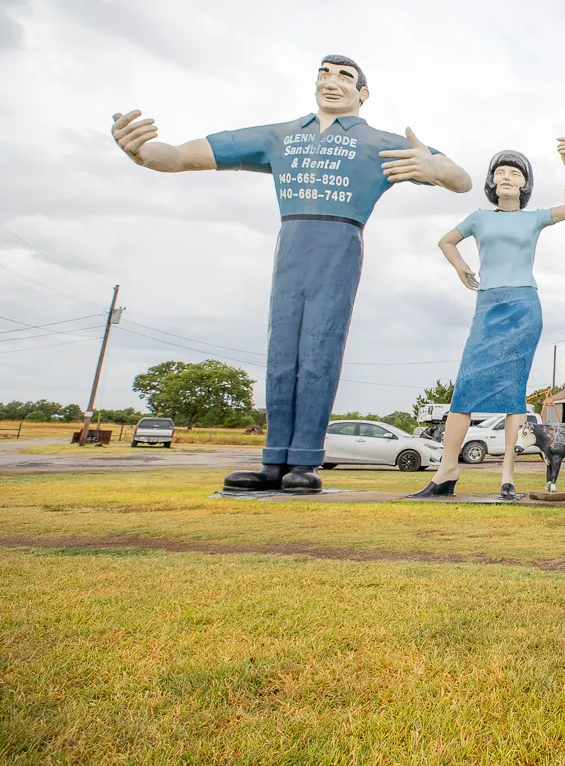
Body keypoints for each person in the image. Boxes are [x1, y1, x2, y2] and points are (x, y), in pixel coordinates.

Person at [110, 56, 471, 493]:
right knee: (281, 351)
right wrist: (143, 151)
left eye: (344, 77)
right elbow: (180, 156)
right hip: (291, 243)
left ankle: (305, 459)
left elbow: (462, 179)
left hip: (340, 242)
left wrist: (436, 170)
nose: (331, 82)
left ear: (363, 93)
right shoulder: (279, 136)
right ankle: (273, 460)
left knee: (320, 347)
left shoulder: (379, 142)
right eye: (323, 74)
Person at [411, 139, 565, 500]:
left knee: (512, 394)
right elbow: (446, 241)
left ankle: (508, 478)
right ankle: (446, 471)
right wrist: (461, 268)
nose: (506, 177)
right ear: (491, 181)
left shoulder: (533, 218)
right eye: (499, 172)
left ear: (524, 184)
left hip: (523, 307)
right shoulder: (478, 218)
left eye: (514, 172)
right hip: (488, 306)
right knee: (465, 388)